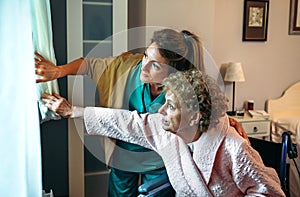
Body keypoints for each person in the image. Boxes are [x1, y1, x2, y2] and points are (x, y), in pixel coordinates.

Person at [36, 28, 248, 196]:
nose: (144, 66)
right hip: (124, 155)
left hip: (161, 160)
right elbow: (90, 65)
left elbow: (202, 110)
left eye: (155, 65)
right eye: (146, 55)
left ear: (172, 71)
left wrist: (225, 122)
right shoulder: (129, 67)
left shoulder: (183, 90)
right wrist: (58, 71)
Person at [41, 69, 285, 196]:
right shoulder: (165, 130)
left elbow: (270, 193)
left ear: (194, 116)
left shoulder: (233, 147)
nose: (161, 111)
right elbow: (127, 122)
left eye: (170, 106)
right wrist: (75, 111)